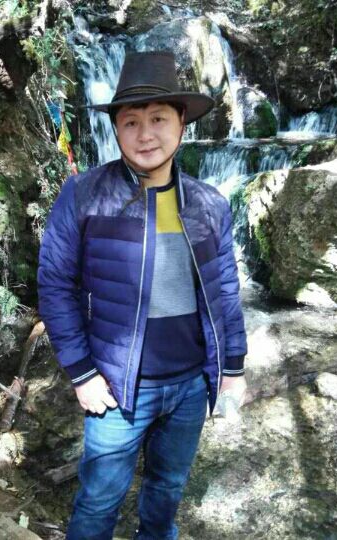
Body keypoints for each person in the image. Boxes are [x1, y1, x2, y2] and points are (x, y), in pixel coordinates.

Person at [38, 50, 248, 540]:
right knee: (98, 502)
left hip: (191, 383)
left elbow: (225, 289)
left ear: (181, 124)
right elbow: (55, 283)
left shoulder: (209, 204)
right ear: (116, 130)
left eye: (158, 119)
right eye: (131, 122)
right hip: (116, 386)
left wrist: (233, 368)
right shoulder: (85, 195)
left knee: (167, 488)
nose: (145, 134)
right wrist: (82, 373)